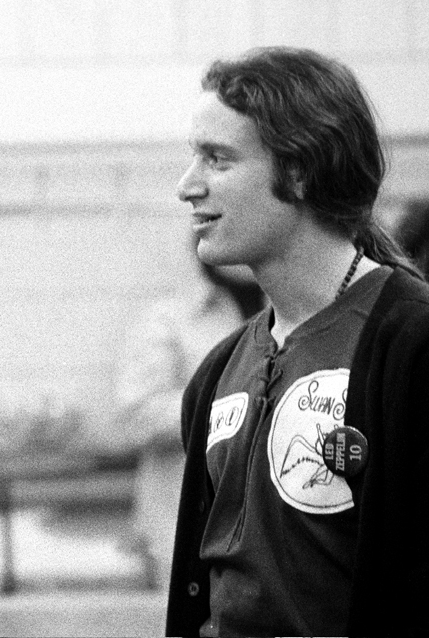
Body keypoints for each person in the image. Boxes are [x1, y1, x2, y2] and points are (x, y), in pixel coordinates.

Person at [167, 46, 429, 637]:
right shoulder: (217, 374)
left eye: (217, 159)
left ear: (301, 169)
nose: (187, 187)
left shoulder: (410, 347)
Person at [116, 257, 264, 590]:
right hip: (186, 528)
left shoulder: (296, 313)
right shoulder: (169, 318)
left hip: (270, 530)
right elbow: (135, 416)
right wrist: (240, 404)